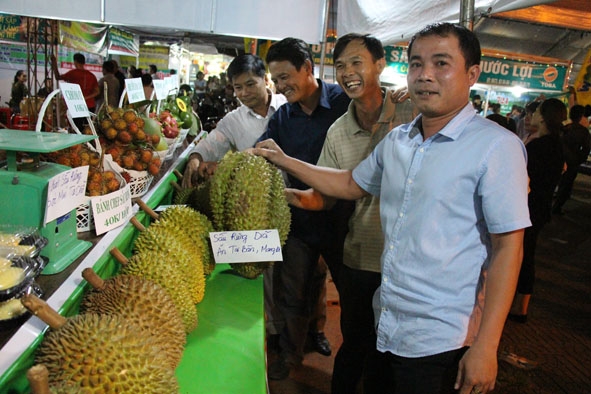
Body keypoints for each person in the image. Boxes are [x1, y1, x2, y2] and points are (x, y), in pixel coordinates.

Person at [254, 23, 530, 394]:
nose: (425, 75)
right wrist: (285, 161)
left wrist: (486, 346)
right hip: (388, 319)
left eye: (441, 63)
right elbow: (350, 183)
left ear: (472, 74)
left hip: (442, 338)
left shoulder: (497, 147)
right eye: (416, 64)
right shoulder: (400, 140)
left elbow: (508, 249)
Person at [285, 33, 414, 393]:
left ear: (380, 64)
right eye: (340, 66)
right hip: (360, 257)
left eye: (357, 62)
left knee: (392, 354)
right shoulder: (338, 131)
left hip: (408, 261)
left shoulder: (413, 111)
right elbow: (326, 196)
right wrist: (285, 196)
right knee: (355, 344)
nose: (347, 73)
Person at [258, 37, 351, 381]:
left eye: (285, 77)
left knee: (340, 290)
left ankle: (321, 335)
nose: (281, 87)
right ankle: (290, 354)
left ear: (308, 69)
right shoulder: (284, 115)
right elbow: (263, 148)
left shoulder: (344, 103)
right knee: (294, 291)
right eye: (276, 80)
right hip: (299, 219)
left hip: (343, 221)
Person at [181, 54, 288, 345]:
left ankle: (308, 331)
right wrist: (195, 159)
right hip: (253, 204)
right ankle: (271, 334)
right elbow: (210, 145)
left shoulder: (288, 107)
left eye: (250, 84)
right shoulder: (233, 120)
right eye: (237, 88)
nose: (244, 93)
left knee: (298, 275)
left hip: (296, 199)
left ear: (265, 80)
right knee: (263, 274)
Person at [509, 99, 565, 323]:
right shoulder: (556, 145)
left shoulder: (538, 146)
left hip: (527, 208)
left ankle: (518, 306)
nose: (530, 116)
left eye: (536, 112)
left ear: (543, 117)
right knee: (526, 254)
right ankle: (521, 305)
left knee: (519, 255)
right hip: (540, 208)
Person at [552, 104, 591, 214]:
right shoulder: (583, 131)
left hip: (560, 160)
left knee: (559, 183)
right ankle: (556, 208)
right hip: (572, 162)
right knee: (566, 186)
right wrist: (579, 159)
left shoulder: (565, 128)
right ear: (581, 116)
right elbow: (586, 149)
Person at [51, 53, 99, 130]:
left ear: (75, 62)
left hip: (76, 105)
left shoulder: (72, 73)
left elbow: (57, 77)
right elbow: (97, 92)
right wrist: (86, 97)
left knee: (77, 128)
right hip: (90, 105)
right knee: (88, 128)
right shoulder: (91, 75)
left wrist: (54, 63)